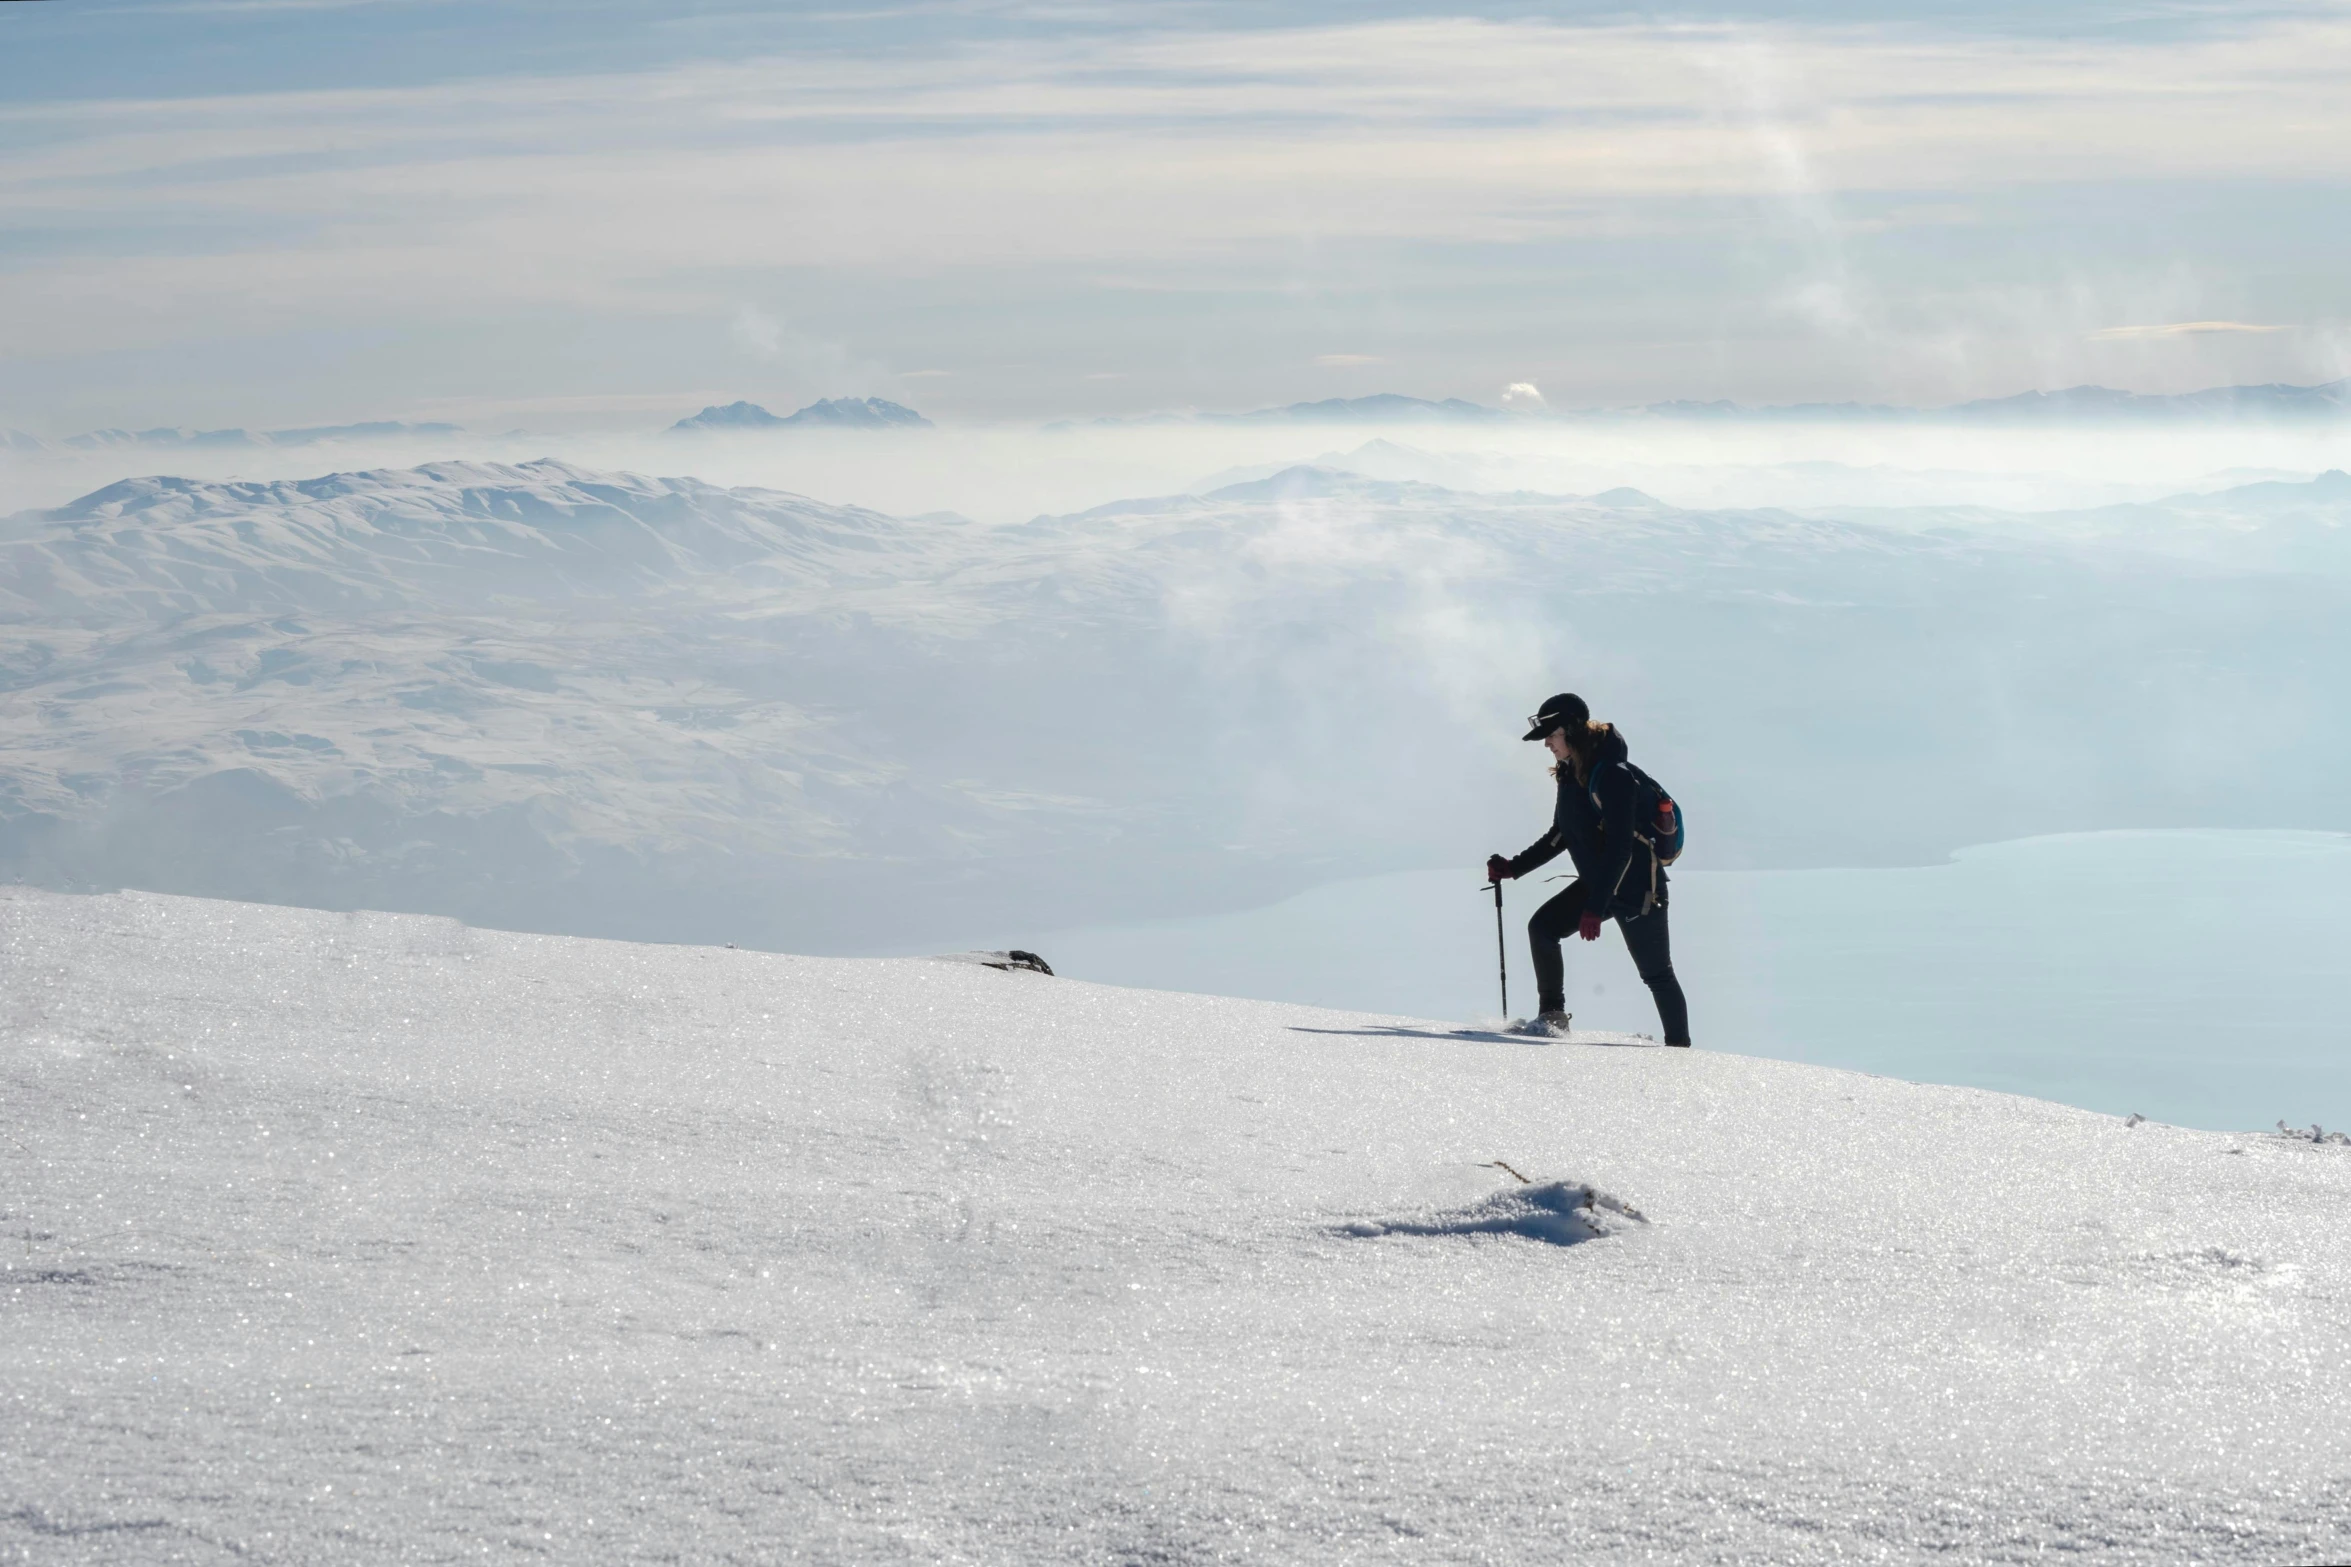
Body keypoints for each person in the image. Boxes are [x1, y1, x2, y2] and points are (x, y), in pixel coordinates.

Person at [1485, 692, 1691, 1046]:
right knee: (1543, 928)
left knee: (1656, 975)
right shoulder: (1570, 775)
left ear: (1571, 730)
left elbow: (1620, 848)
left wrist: (1595, 907)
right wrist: (1513, 868)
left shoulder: (1613, 776)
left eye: (1551, 735)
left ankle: (1680, 1052)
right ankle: (1552, 1019)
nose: (1547, 743)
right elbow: (1560, 835)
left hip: (1638, 888)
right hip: (1601, 882)